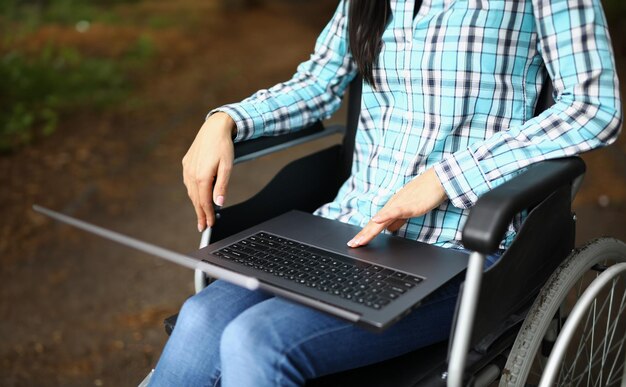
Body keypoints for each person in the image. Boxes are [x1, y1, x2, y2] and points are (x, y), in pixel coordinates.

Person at [149, 0, 622, 385]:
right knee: (201, 320)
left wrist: (446, 179)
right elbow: (316, 84)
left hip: (460, 248)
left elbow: (593, 108)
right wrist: (225, 120)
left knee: (256, 342)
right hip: (345, 229)